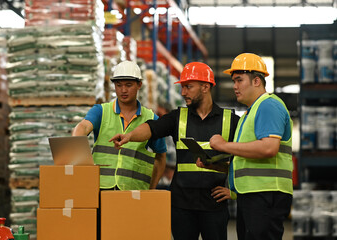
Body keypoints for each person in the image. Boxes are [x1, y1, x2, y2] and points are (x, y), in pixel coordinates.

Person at [110, 62, 240, 240]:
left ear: (205, 87)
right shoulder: (177, 117)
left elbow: (244, 159)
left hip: (214, 206)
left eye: (188, 87)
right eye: (183, 87)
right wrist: (130, 136)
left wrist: (234, 191)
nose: (183, 92)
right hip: (181, 207)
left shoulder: (231, 120)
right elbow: (152, 128)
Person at [198, 53, 293, 240]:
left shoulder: (268, 106)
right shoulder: (250, 114)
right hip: (254, 196)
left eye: (239, 80)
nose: (234, 86)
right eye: (234, 81)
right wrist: (215, 165)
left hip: (266, 195)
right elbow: (246, 161)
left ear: (257, 81)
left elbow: (268, 148)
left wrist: (224, 145)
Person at [72, 60, 167, 190]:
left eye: (128, 85)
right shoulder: (101, 111)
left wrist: (151, 189)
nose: (123, 90)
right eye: (118, 85)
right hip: (100, 189)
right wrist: (75, 142)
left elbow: (161, 156)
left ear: (139, 85)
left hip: (134, 192)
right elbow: (83, 127)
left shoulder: (151, 119)